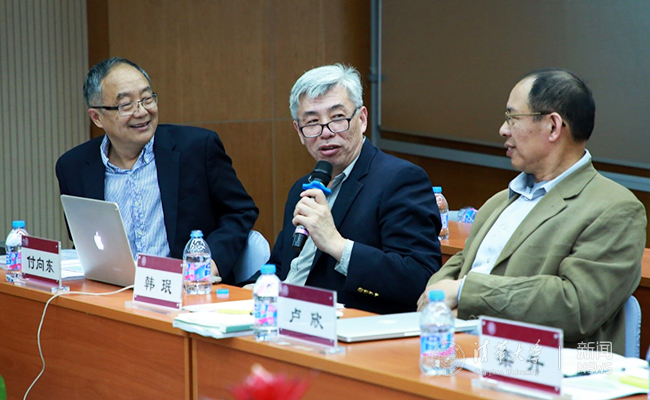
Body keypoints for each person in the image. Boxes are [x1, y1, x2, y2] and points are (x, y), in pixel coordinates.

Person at [418, 68, 646, 354]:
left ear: (553, 126)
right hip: (463, 350)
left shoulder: (615, 209)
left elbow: (576, 306)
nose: (503, 130)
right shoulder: (500, 201)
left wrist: (466, 294)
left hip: (549, 365)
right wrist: (438, 302)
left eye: (512, 117)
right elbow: (458, 267)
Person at [56, 57, 258, 284]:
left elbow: (241, 211)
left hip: (184, 288)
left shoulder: (197, 148)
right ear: (97, 117)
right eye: (126, 105)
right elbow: (82, 237)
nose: (142, 112)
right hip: (110, 290)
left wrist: (212, 261)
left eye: (147, 98)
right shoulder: (73, 166)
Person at [269, 64, 442, 314]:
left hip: (349, 324)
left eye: (337, 118)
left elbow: (418, 279)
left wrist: (336, 244)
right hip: (286, 316)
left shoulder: (400, 179)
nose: (326, 132)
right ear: (299, 131)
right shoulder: (303, 187)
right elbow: (281, 266)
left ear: (361, 119)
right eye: (312, 122)